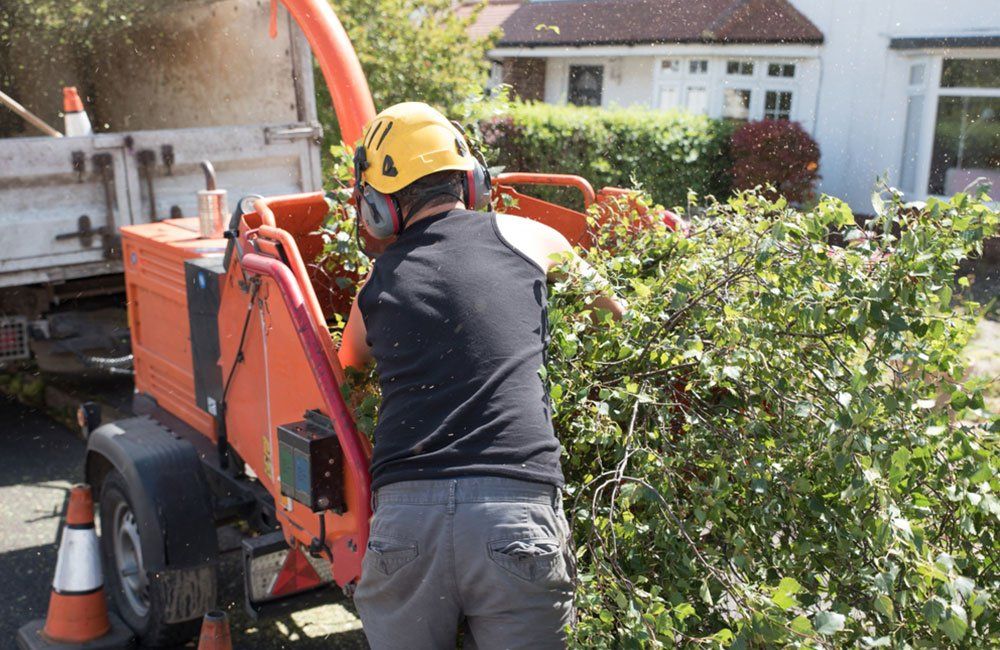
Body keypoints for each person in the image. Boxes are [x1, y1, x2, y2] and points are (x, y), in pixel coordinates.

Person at [338, 102, 624, 650]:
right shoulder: (530, 238)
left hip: (407, 525)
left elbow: (351, 366)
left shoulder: (374, 287)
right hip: (515, 515)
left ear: (377, 205)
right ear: (472, 181)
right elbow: (613, 312)